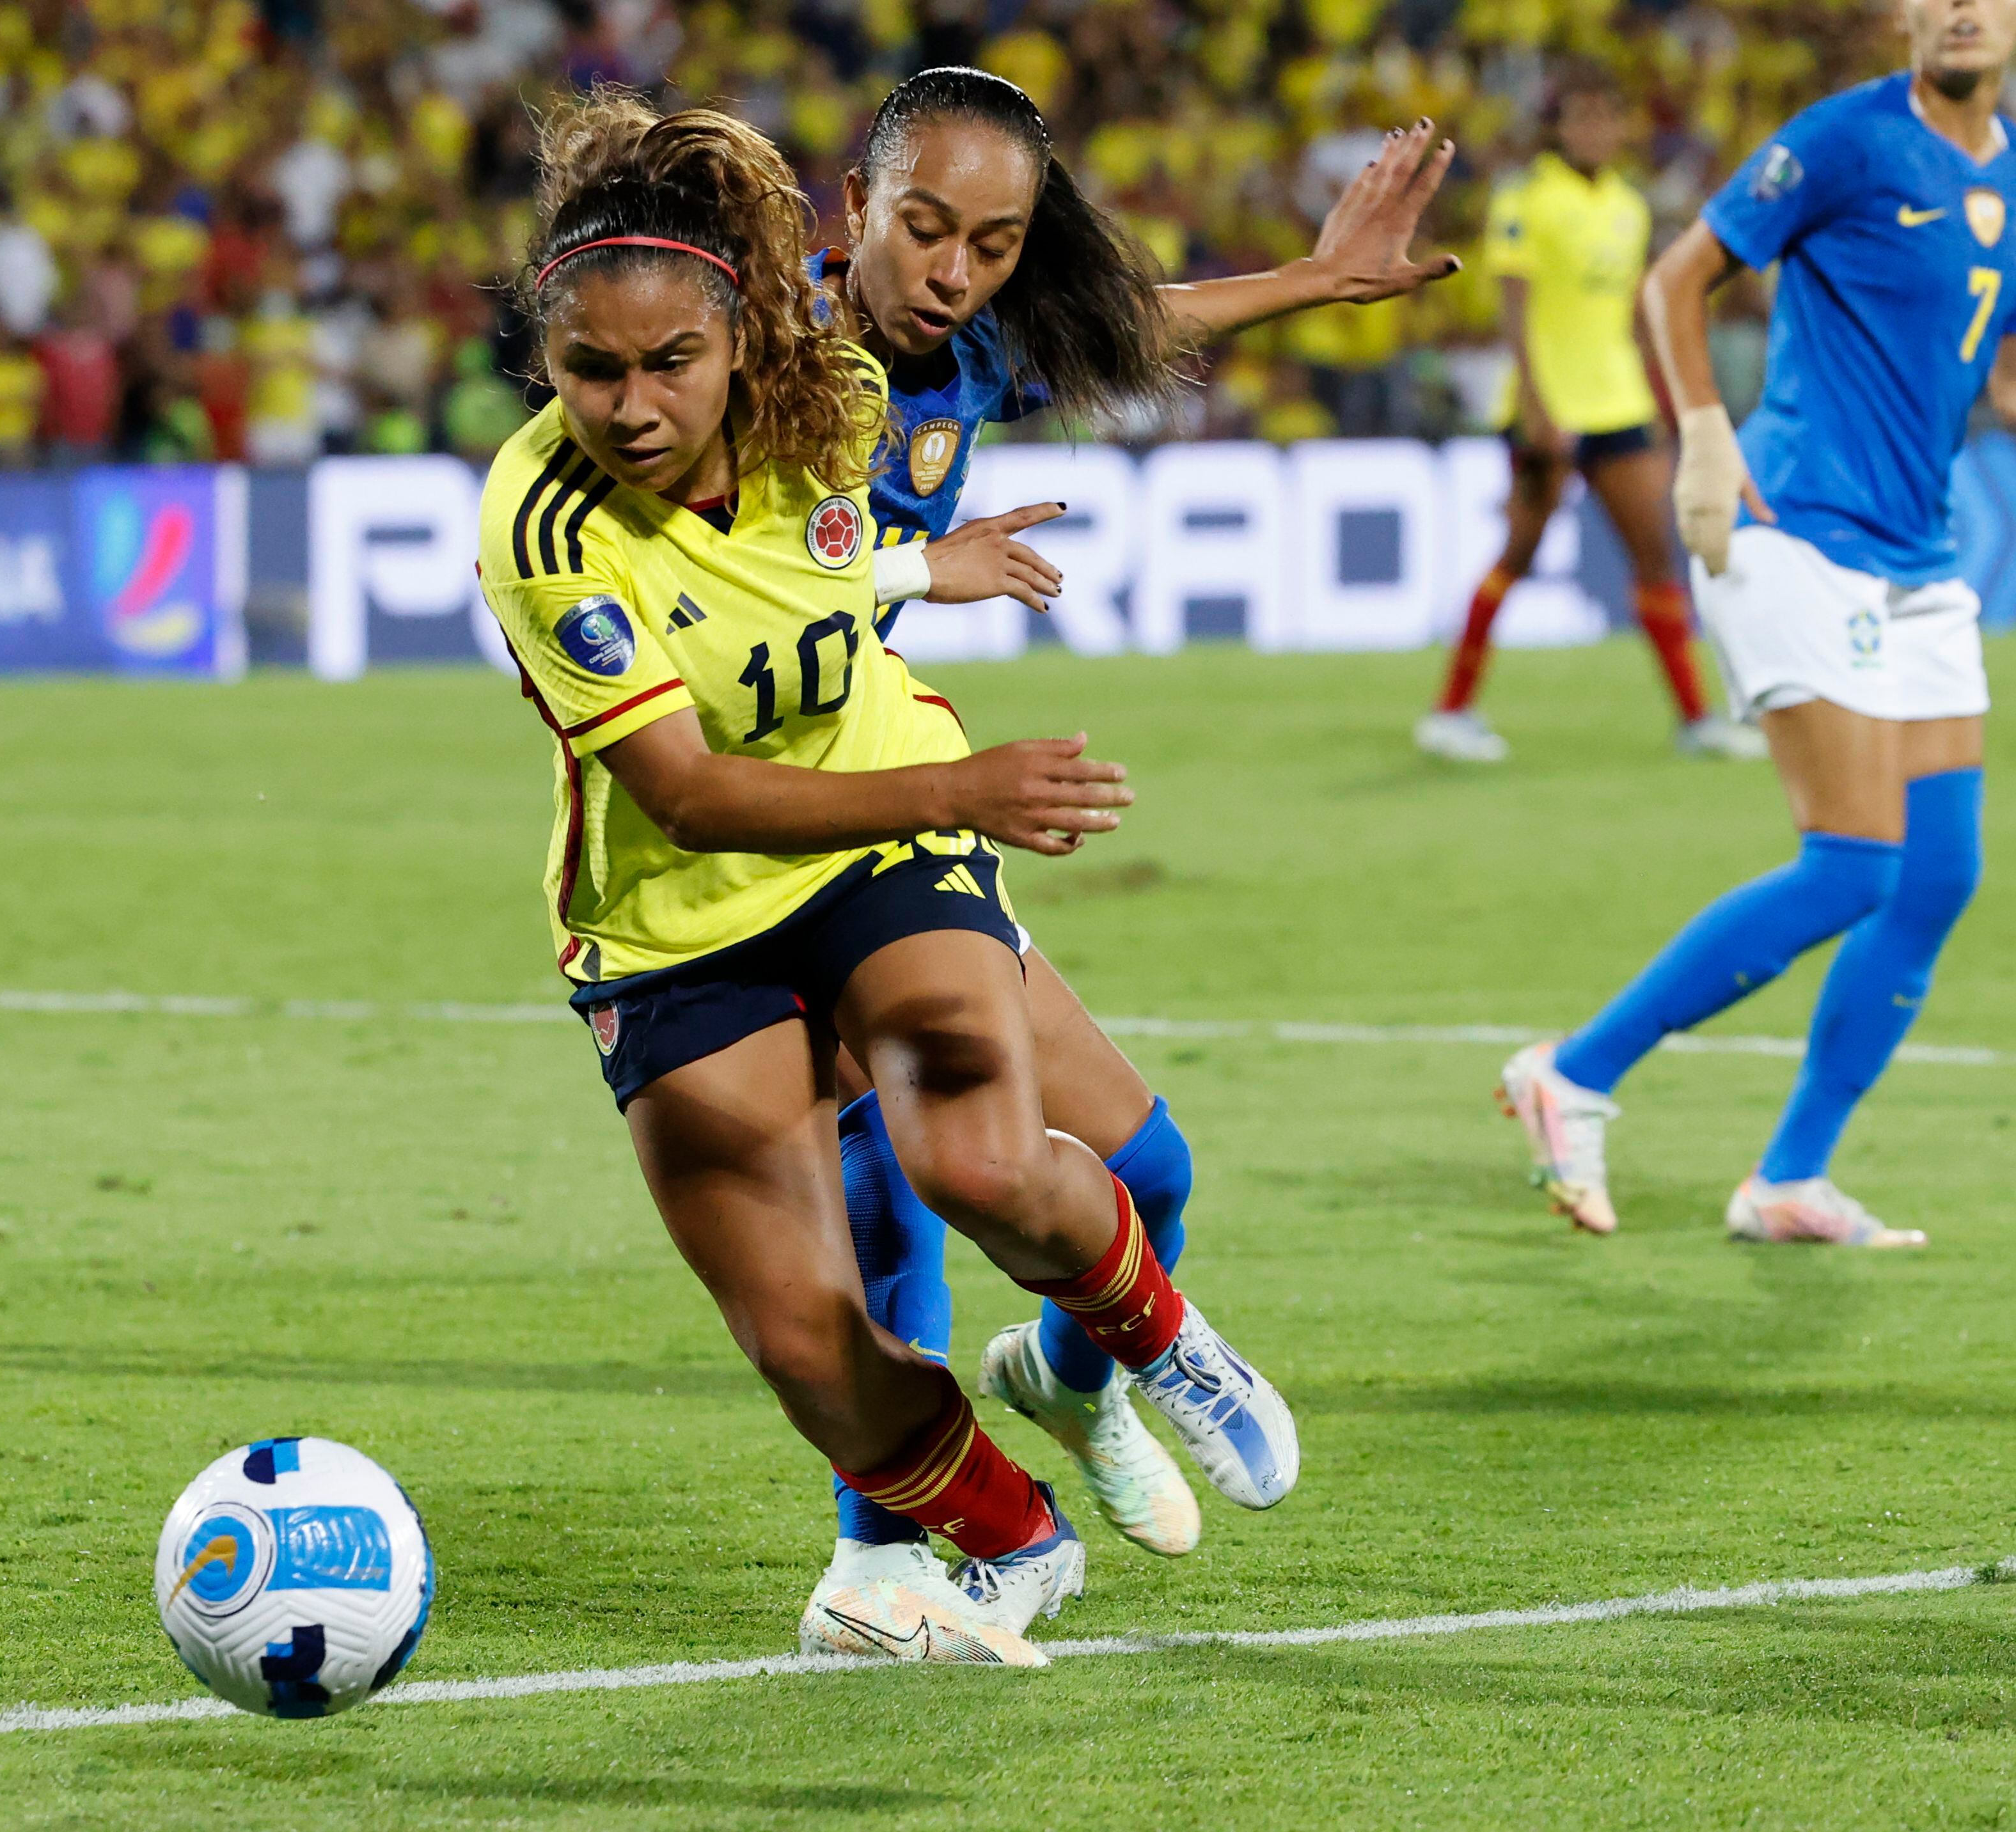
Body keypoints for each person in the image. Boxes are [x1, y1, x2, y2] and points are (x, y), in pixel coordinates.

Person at [480, 91, 1300, 1664]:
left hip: (874, 816)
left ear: (740, 347)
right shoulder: (538, 521)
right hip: (674, 907)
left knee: (974, 1161)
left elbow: (1046, 357)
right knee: (800, 1344)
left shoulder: (832, 384)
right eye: (591, 370)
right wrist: (967, 746)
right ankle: (1000, 1540)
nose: (633, 405)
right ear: (546, 360)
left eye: (668, 365)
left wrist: (928, 586)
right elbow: (687, 791)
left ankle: (1151, 1341)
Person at [800, 65, 1451, 1643]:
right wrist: (912, 563)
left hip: (888, 782)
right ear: (854, 214)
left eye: (992, 244)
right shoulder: (758, 353)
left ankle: (1073, 1379)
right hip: (757, 830)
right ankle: (878, 1553)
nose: (950, 272)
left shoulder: (962, 350)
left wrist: (1313, 279)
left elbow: (1136, 324)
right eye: (924, 231)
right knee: (885, 1192)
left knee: (1144, 1171)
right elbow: (701, 569)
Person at [1498, 0, 2012, 1247]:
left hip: (1917, 549)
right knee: (1854, 862)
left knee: (1938, 873)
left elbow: (1980, 357)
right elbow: (1683, 276)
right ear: (1900, 16)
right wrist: (1706, 434)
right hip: (1787, 522)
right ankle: (1572, 1074)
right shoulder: (1839, 139)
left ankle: (1787, 1175)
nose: (1957, 8)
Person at [1417, 66, 1765, 766]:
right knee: (1518, 555)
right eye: (1581, 118)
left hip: (1619, 402)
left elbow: (1636, 313)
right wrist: (1539, 408)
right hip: (1549, 407)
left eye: (1607, 119)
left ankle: (1696, 720)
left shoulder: (1627, 206)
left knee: (1655, 558)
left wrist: (1661, 396)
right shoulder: (1525, 199)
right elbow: (1514, 309)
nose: (1595, 131)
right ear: (1557, 128)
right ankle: (1451, 712)